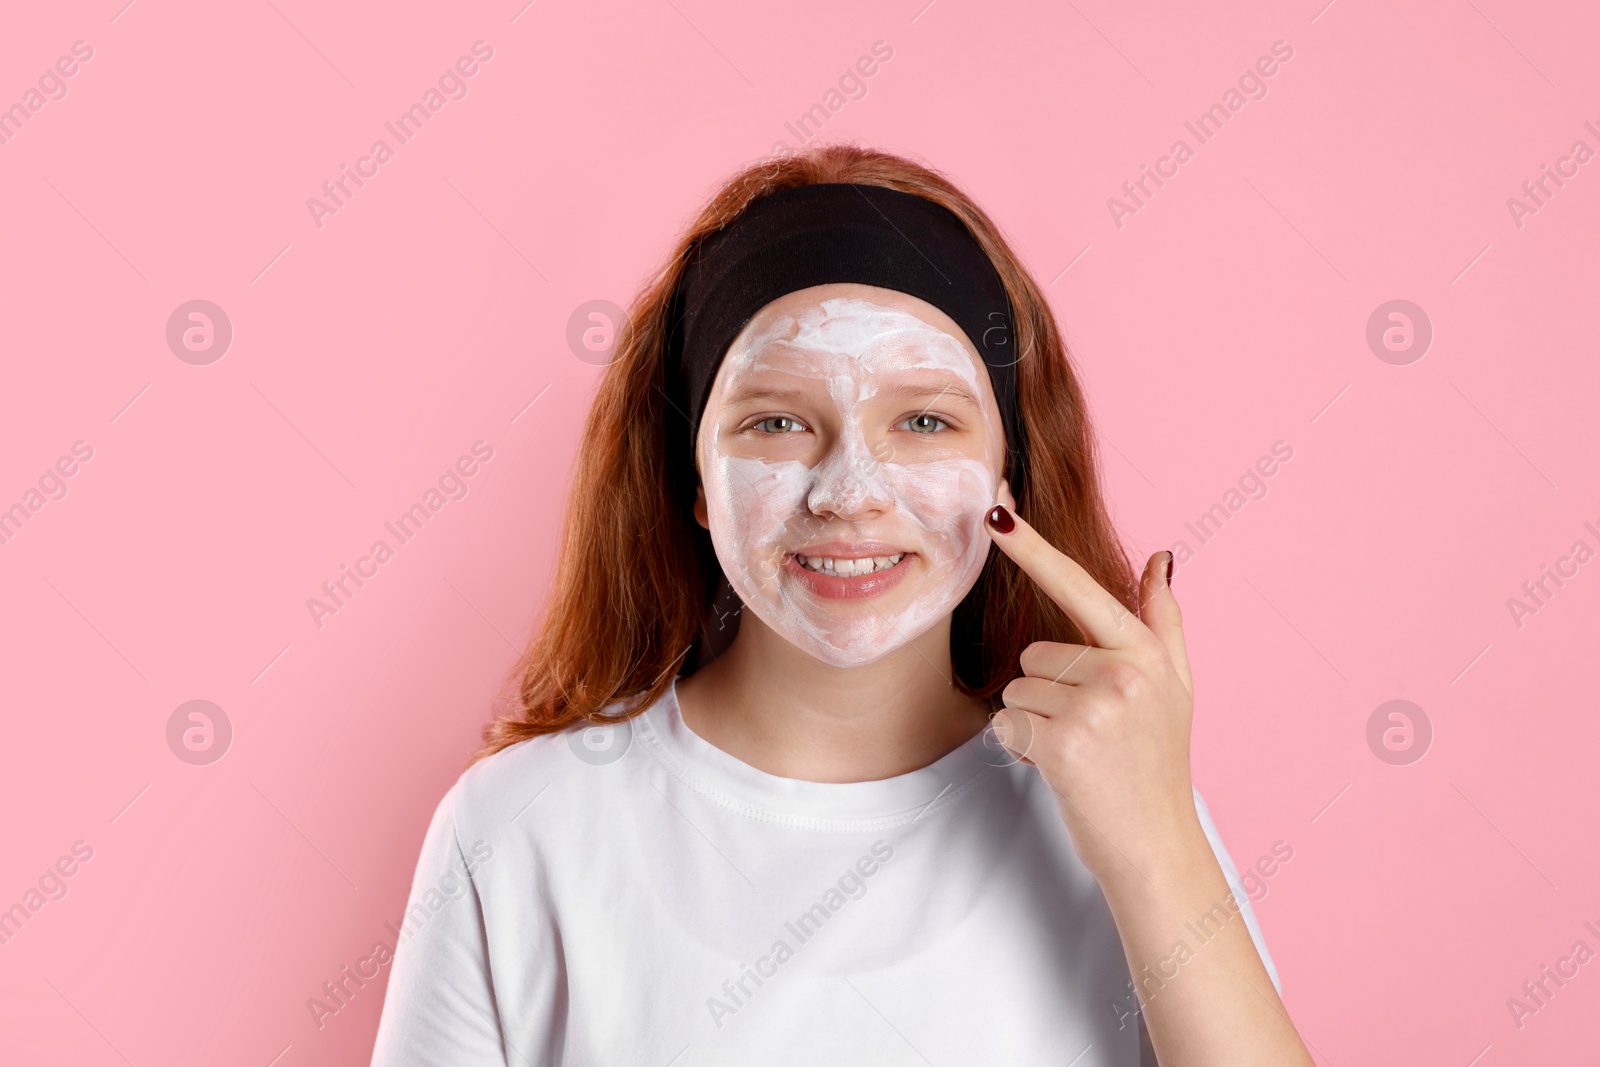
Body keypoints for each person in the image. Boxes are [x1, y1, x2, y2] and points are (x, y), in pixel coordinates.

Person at [368, 144, 1315, 1066]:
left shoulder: (1117, 803)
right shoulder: (525, 824)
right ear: (694, 477)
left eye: (924, 420)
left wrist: (1156, 840)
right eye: (776, 421)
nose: (849, 490)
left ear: (1007, 470)